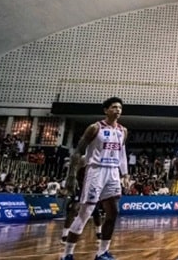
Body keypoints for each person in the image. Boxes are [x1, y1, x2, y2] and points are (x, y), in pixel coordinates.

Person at [60, 97, 128, 260]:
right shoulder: (94, 128)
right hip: (95, 171)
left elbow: (122, 154)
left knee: (113, 213)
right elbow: (78, 151)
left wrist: (125, 173)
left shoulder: (123, 130)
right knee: (85, 213)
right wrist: (71, 175)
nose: (117, 110)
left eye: (119, 107)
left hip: (112, 172)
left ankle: (102, 252)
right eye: (113, 107)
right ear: (106, 110)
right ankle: (67, 254)